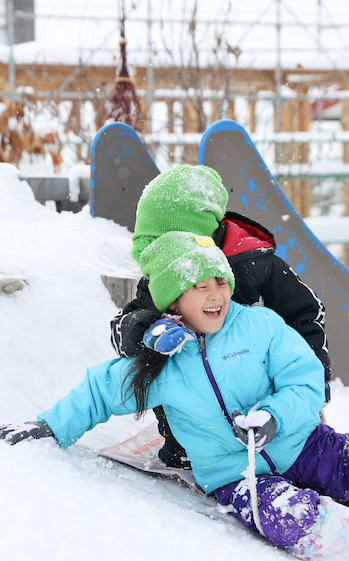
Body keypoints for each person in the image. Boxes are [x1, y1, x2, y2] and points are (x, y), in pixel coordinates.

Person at [0, 231, 349, 561]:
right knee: (289, 519)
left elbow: (307, 379)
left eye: (220, 282)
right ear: (172, 300)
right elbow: (100, 392)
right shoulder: (162, 362)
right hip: (240, 476)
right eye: (200, 286)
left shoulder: (261, 326)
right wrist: (48, 427)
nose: (216, 294)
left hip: (303, 444)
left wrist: (274, 415)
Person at [110, 164, 329, 469]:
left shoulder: (257, 267)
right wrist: (143, 328)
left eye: (166, 242)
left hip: (257, 387)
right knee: (164, 366)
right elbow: (128, 321)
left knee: (290, 413)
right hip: (196, 397)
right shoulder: (168, 270)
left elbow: (304, 315)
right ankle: (183, 445)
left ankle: (295, 446)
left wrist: (314, 382)